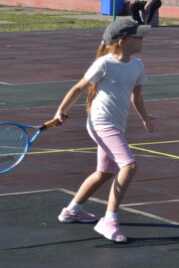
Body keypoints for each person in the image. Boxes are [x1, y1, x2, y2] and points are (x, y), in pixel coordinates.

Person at [54, 18, 155, 243]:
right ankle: (109, 220)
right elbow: (79, 87)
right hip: (101, 123)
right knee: (129, 165)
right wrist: (62, 110)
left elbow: (136, 96)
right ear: (122, 41)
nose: (142, 39)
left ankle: (72, 210)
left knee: (105, 172)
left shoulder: (137, 65)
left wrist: (145, 117)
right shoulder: (104, 64)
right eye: (137, 36)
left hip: (115, 124)